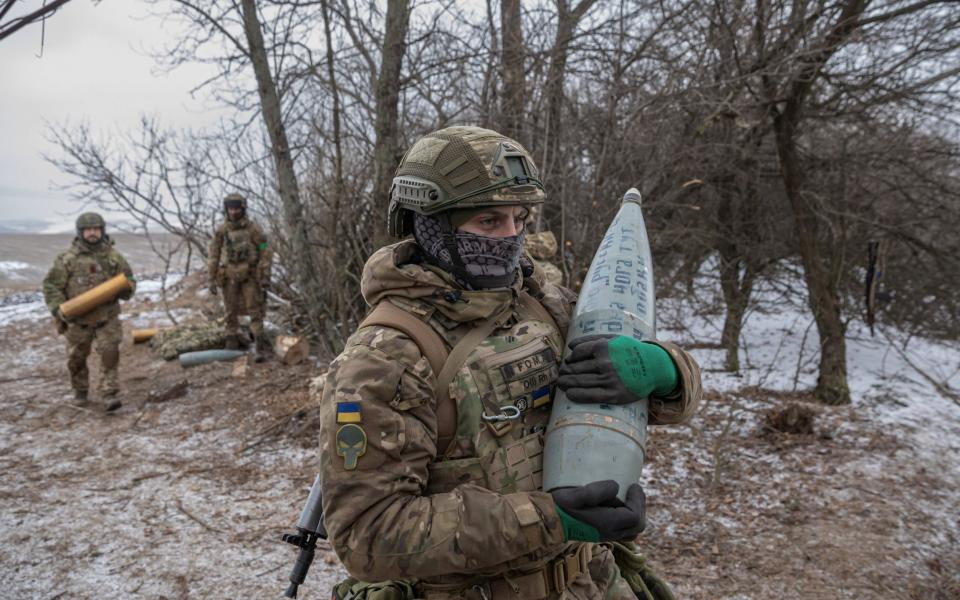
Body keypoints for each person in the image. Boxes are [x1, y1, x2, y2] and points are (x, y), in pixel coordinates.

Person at [319, 126, 702, 600]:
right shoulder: (385, 357)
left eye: (520, 218)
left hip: (590, 581)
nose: (511, 236)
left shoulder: (545, 305)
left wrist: (666, 372)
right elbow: (368, 537)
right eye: (488, 221)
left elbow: (657, 406)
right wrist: (548, 518)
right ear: (431, 224)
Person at [43, 212, 135, 412]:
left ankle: (109, 394)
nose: (92, 233)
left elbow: (129, 280)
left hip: (107, 319)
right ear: (80, 232)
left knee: (110, 355)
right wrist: (58, 309)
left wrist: (126, 288)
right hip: (78, 321)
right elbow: (51, 286)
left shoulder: (113, 257)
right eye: (88, 230)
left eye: (96, 229)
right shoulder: (67, 259)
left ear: (102, 231)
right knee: (76, 359)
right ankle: (80, 391)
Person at [207, 193, 273, 360]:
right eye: (230, 208)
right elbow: (214, 255)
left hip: (250, 275)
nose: (233, 212)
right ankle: (231, 343)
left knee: (255, 310)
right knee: (230, 311)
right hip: (229, 276)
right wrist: (211, 278)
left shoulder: (253, 229)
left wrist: (265, 274)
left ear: (243, 208)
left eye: (236, 208)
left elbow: (265, 250)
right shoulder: (222, 230)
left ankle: (259, 345)